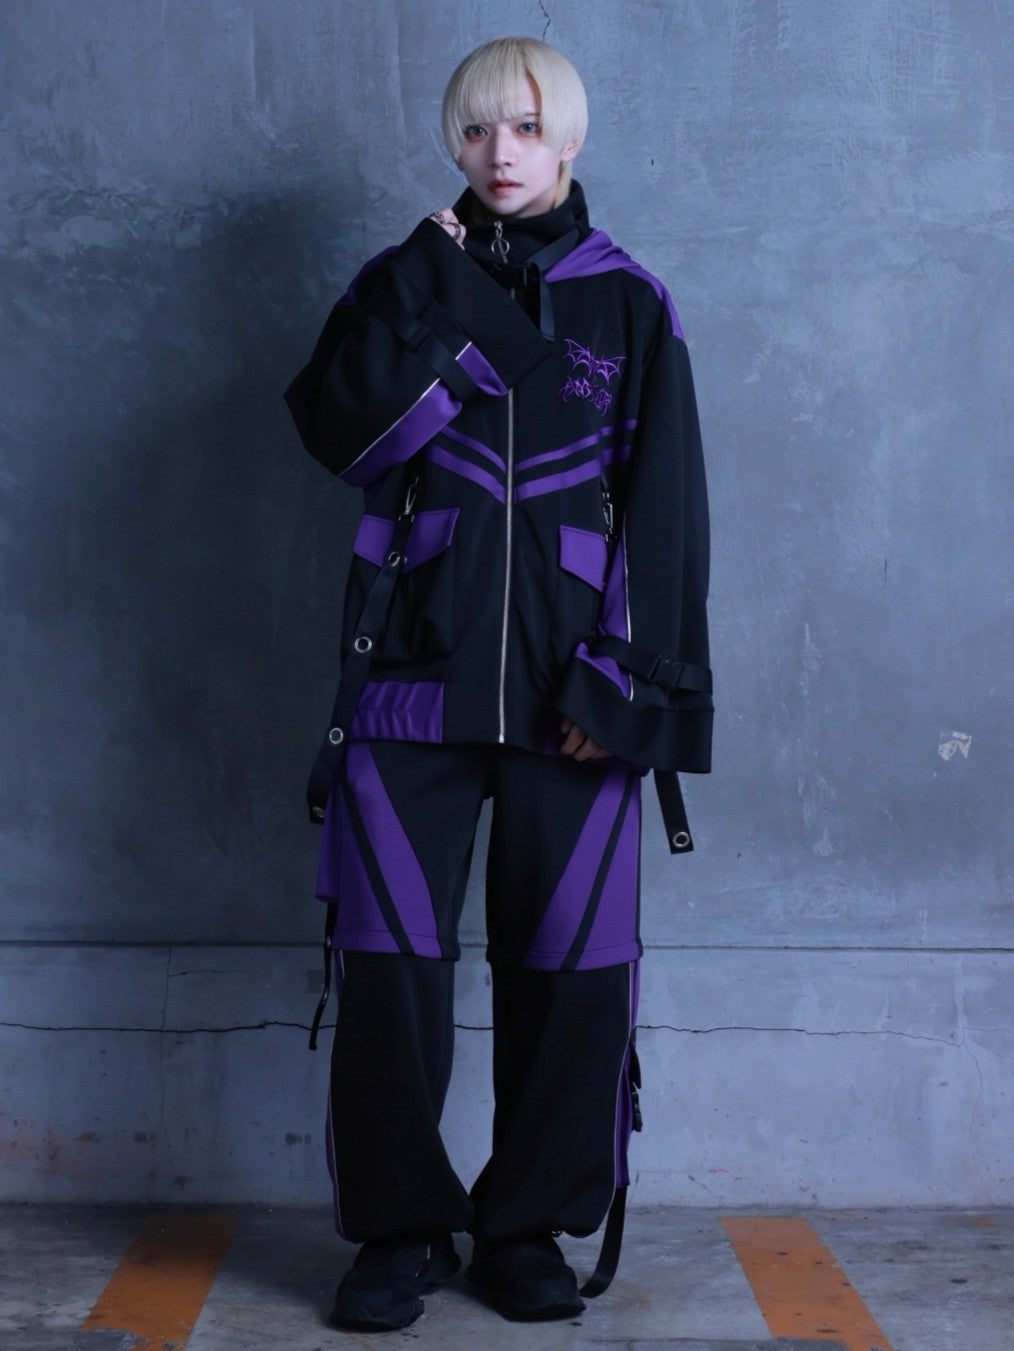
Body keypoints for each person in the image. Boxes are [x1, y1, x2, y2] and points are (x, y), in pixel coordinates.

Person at [285, 35, 712, 1332]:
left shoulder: (628, 303)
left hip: (567, 700)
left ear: (569, 139)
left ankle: (524, 1228)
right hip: (408, 686)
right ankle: (400, 1231)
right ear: (451, 144)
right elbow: (344, 435)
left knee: (572, 976)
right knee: (387, 971)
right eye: (475, 131)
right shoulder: (399, 281)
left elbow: (665, 512)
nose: (499, 154)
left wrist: (620, 692)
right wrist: (437, 280)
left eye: (524, 129)